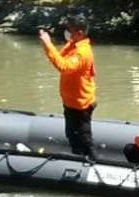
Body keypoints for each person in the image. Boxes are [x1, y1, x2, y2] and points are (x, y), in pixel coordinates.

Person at [39, 14, 96, 159]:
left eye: (70, 29)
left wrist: (48, 44)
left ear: (80, 32)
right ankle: (79, 158)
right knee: (72, 135)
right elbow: (59, 58)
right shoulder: (72, 45)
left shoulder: (82, 52)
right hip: (71, 102)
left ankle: (91, 162)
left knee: (83, 139)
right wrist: (48, 44)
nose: (67, 31)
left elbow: (64, 67)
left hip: (80, 104)